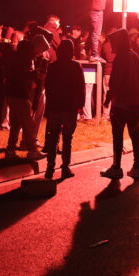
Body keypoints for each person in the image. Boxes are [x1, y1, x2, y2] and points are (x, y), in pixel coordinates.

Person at [101, 29, 139, 179]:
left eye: (113, 42)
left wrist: (108, 99)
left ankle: (116, 167)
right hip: (134, 103)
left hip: (121, 104)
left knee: (118, 136)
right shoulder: (135, 56)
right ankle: (137, 167)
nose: (112, 45)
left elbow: (115, 81)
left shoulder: (121, 58)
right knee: (135, 134)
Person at [44, 40, 85, 179]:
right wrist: (80, 105)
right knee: (67, 138)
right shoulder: (75, 66)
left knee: (53, 137)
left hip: (55, 106)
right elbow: (80, 87)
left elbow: (48, 86)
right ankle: (65, 167)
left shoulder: (53, 66)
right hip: (70, 107)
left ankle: (50, 168)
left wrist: (49, 105)